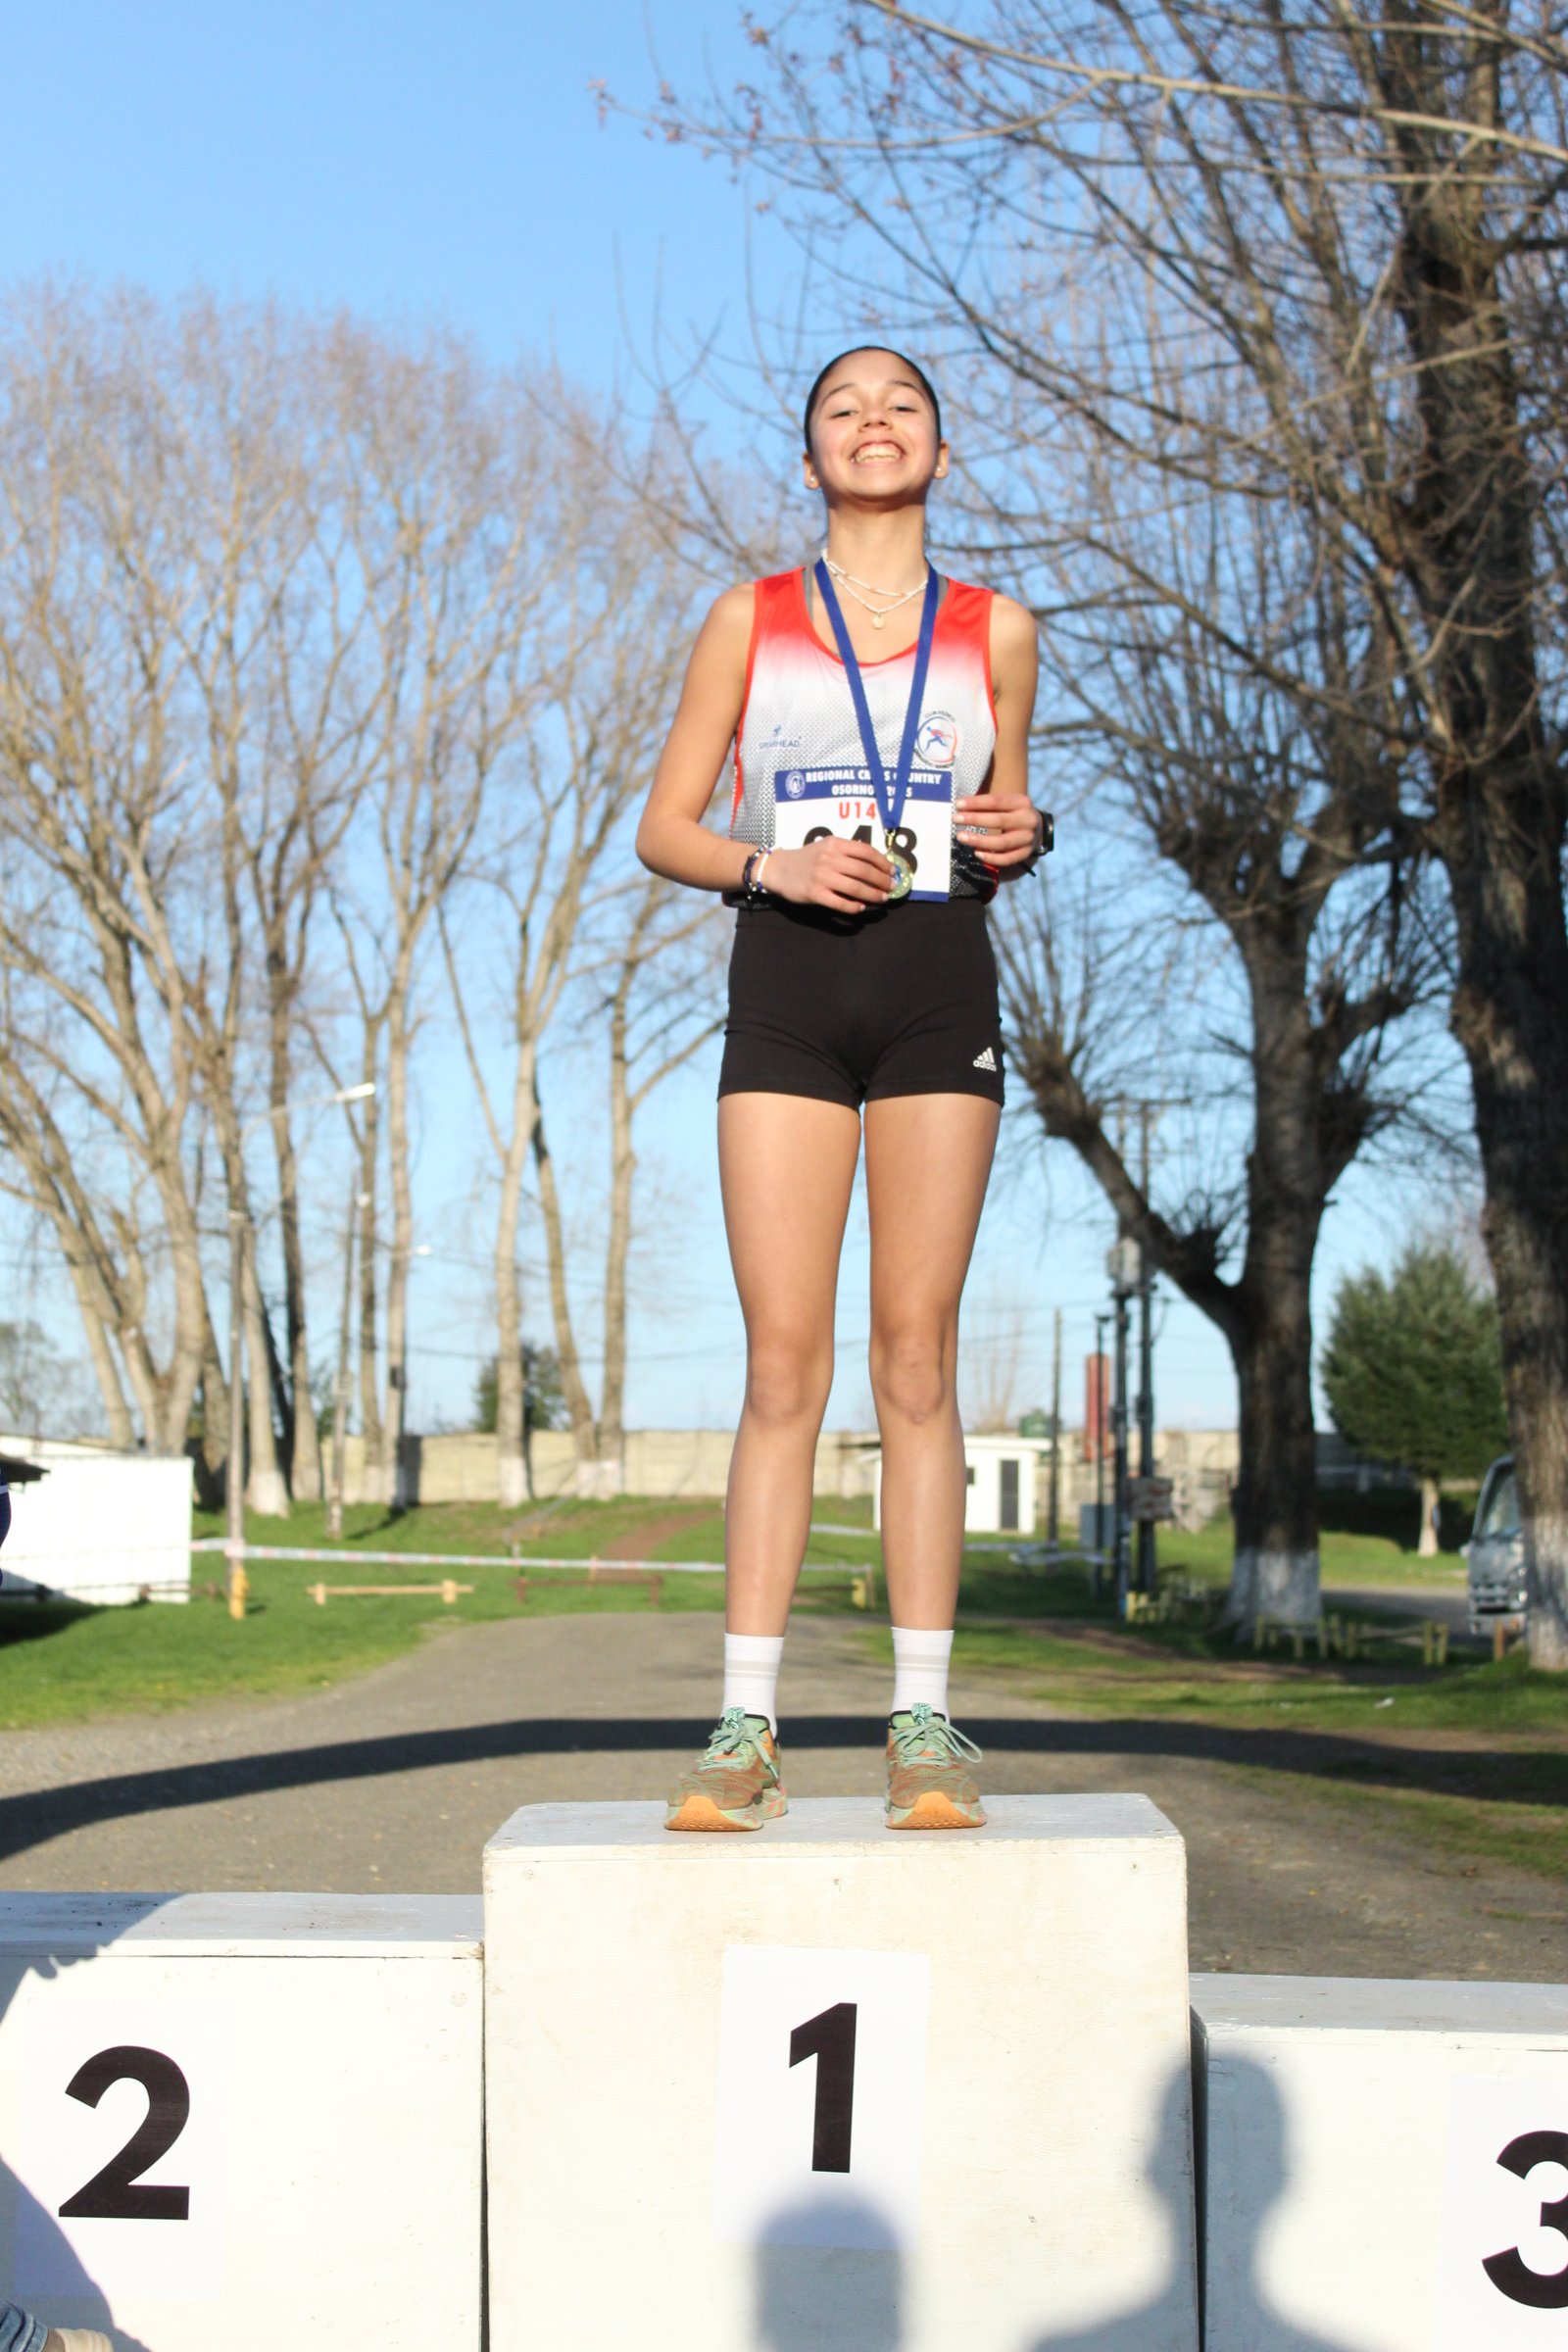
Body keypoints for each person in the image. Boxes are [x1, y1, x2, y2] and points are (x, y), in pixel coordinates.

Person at [637, 345, 1046, 1832]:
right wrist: (776, 864)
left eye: (903, 407)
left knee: (917, 1356)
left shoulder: (1000, 630)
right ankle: (743, 1727)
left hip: (941, 986)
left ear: (941, 446)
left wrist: (1024, 829)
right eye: (842, 410)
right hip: (790, 991)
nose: (874, 425)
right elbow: (663, 826)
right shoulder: (748, 619)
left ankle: (925, 1724)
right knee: (784, 1364)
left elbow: (1004, 805)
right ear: (809, 457)